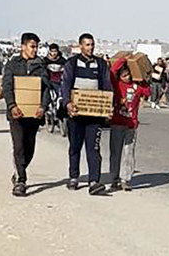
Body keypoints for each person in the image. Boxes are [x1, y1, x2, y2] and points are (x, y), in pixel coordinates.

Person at [61, 33, 113, 195]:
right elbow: (65, 85)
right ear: (80, 46)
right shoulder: (72, 63)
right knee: (75, 146)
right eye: (87, 45)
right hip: (76, 114)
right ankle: (74, 177)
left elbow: (106, 86)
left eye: (92, 44)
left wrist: (108, 107)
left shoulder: (101, 64)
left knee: (94, 148)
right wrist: (67, 103)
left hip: (94, 114)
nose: (90, 48)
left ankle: (94, 181)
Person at [2, 33, 50, 197]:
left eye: (36, 46)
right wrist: (12, 105)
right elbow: (7, 86)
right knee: (19, 146)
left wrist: (43, 107)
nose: (35, 50)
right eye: (32, 46)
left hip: (34, 114)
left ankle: (18, 171)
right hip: (17, 114)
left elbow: (46, 89)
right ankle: (21, 180)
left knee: (29, 147)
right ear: (23, 46)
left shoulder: (40, 65)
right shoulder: (13, 64)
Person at [109, 58, 151, 191]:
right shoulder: (116, 85)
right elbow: (112, 71)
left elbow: (148, 92)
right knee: (115, 152)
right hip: (117, 123)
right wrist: (124, 59)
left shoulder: (137, 86)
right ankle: (114, 178)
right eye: (123, 75)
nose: (126, 77)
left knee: (129, 153)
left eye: (128, 74)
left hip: (131, 124)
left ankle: (125, 179)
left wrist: (140, 75)